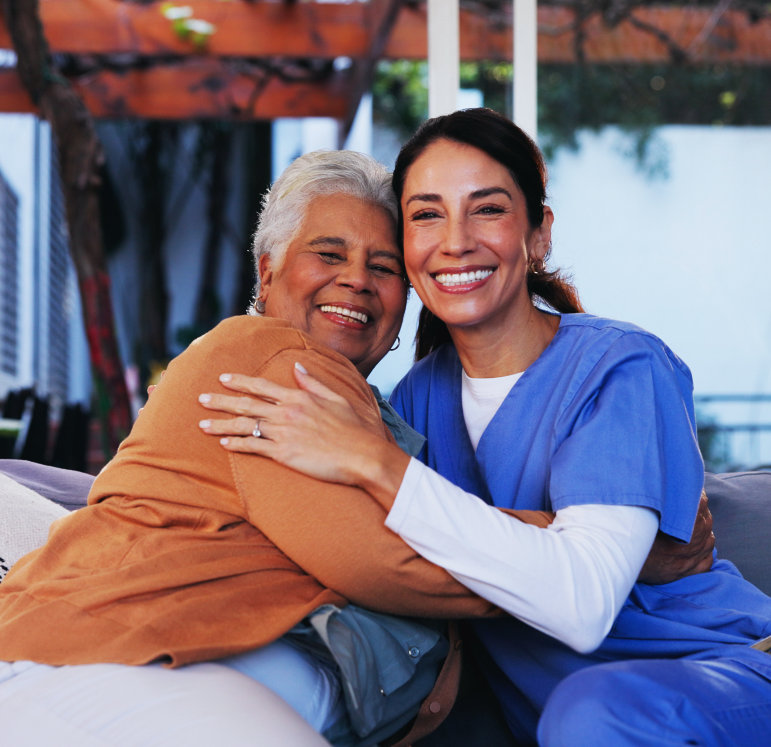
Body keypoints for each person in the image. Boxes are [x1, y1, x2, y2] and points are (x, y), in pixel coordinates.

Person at [199, 109, 771, 745]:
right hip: (555, 718)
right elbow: (376, 551)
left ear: (539, 235)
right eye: (426, 214)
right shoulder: (414, 403)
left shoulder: (619, 367)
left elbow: (581, 606)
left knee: (592, 710)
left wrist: (376, 463)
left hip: (722, 675)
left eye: (488, 209)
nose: (455, 241)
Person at [0, 150, 517, 747]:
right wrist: (557, 553)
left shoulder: (356, 402)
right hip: (109, 672)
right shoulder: (280, 362)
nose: (356, 278)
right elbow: (378, 560)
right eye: (329, 253)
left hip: (129, 671)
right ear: (267, 273)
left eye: (384, 266)